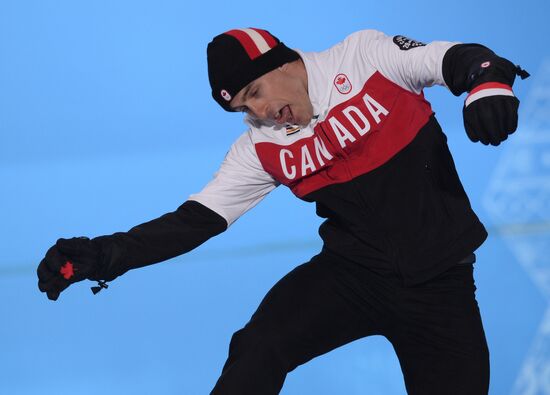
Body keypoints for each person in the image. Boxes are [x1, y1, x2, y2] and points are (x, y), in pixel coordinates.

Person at [37, 27, 529, 394]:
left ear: (282, 62)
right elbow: (191, 224)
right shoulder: (259, 147)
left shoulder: (364, 57)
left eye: (255, 94)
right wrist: (101, 255)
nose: (257, 113)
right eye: (243, 110)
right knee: (256, 346)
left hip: (439, 287)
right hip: (351, 277)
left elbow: (458, 59)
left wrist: (485, 83)